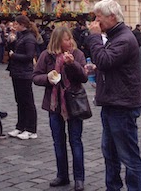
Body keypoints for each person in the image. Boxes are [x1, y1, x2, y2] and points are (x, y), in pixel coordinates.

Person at [87, 0, 141, 191]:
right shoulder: (115, 36)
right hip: (113, 102)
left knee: (128, 156)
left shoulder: (124, 38)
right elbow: (111, 64)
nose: (96, 21)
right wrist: (96, 68)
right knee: (110, 154)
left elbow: (105, 60)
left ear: (112, 17)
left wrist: (94, 38)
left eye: (98, 17)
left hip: (122, 105)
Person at [34, 25, 88, 191]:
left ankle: (79, 178)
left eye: (70, 38)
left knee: (75, 141)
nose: (70, 42)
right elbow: (35, 76)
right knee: (58, 141)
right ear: (58, 41)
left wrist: (72, 64)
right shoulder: (46, 55)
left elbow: (84, 77)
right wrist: (47, 78)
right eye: (66, 39)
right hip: (54, 104)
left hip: (74, 103)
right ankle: (62, 175)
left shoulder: (77, 54)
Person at [7, 15, 39, 140]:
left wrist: (14, 56)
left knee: (27, 101)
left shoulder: (29, 38)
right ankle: (20, 126)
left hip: (25, 73)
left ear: (22, 25)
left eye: (16, 24)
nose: (14, 26)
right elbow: (11, 48)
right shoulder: (21, 36)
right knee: (19, 101)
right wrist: (11, 41)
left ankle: (31, 129)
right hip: (17, 72)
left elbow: (29, 56)